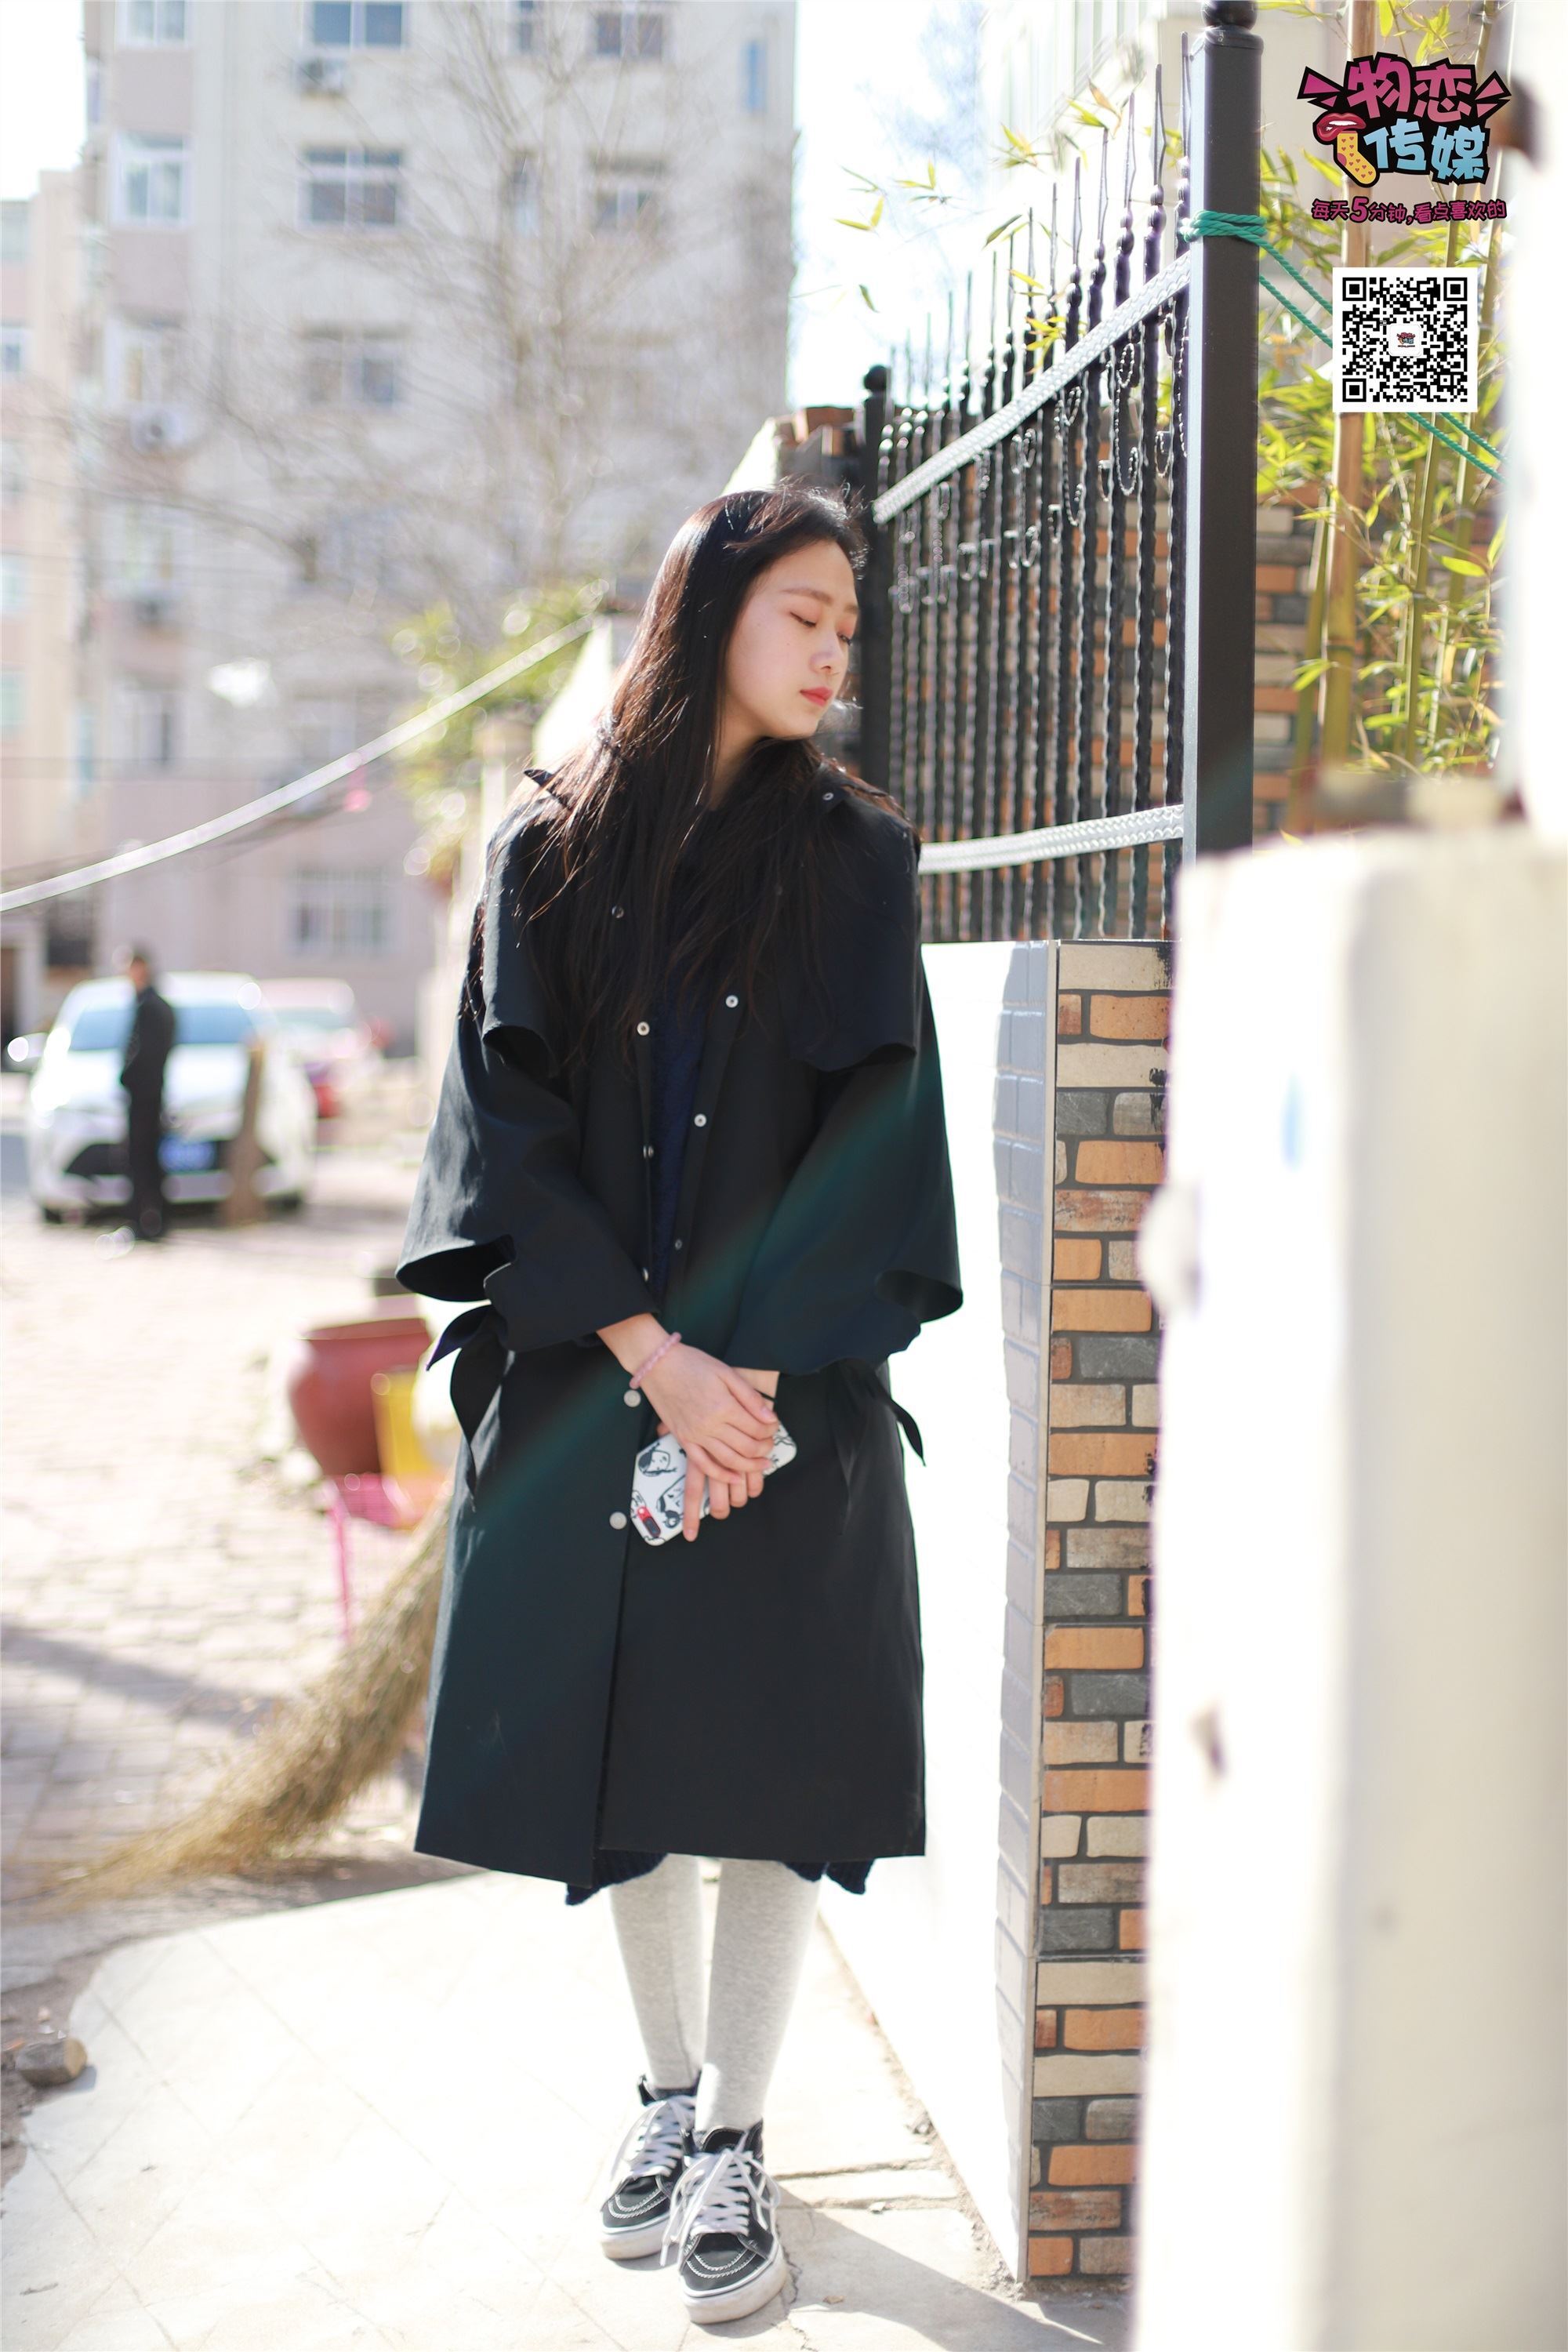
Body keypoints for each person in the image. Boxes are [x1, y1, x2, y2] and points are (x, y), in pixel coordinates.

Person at [397, 481, 962, 2326]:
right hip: (594, 1387)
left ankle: (737, 2137)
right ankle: (661, 2102)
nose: (828, 650)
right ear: (708, 608)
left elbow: (878, 1134)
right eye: (802, 612)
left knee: (775, 1769)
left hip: (782, 1408)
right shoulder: (548, 849)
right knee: (626, 1769)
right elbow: (504, 1125)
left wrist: (755, 1384)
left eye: (844, 628)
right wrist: (653, 1357)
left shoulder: (859, 859)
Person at [117, 948, 176, 1243]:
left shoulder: (150, 1007)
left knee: (141, 1160)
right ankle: (154, 1219)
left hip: (144, 1098)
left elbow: (144, 1055)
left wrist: (125, 1077)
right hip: (152, 1095)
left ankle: (144, 1221)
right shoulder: (156, 1005)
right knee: (149, 1159)